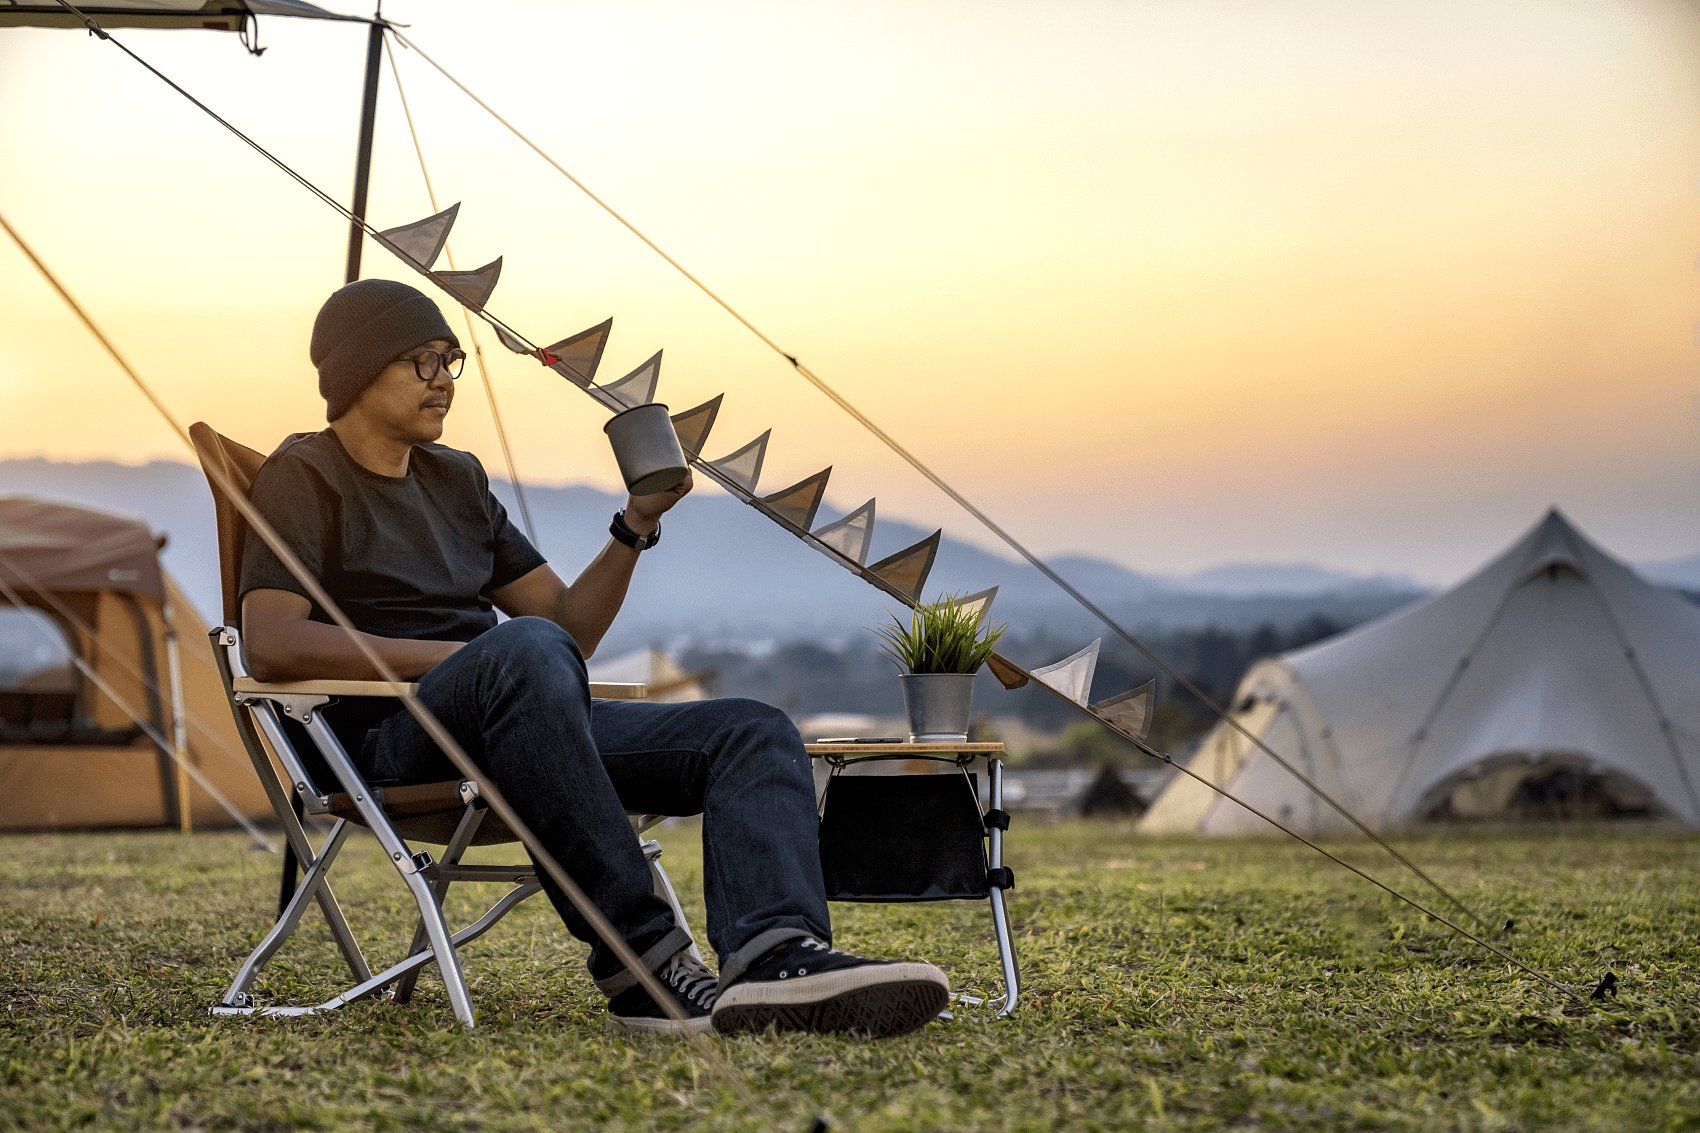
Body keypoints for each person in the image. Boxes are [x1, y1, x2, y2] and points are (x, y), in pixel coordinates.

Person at [238, 279, 950, 1037]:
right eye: (421, 361)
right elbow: (271, 640)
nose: (445, 378)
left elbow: (564, 631)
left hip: (527, 718)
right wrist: (460, 657)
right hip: (393, 741)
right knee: (521, 649)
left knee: (752, 730)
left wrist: (635, 523)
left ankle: (774, 956)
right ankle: (647, 968)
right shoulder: (303, 477)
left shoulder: (459, 480)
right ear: (355, 371)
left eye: (451, 359)